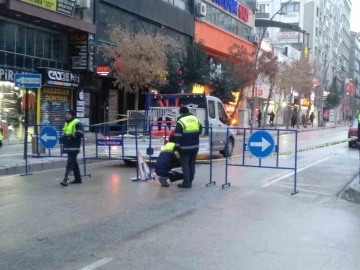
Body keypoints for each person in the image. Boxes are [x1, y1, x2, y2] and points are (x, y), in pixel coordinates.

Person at [174, 106, 202, 188]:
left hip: (185, 147)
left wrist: (176, 148)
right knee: (192, 163)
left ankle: (186, 183)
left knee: (185, 164)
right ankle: (190, 180)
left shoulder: (180, 122)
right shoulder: (195, 119)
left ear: (181, 113)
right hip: (195, 146)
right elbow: (200, 130)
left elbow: (178, 136)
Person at [60, 109, 84, 187]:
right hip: (68, 146)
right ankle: (78, 179)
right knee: (74, 163)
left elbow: (81, 132)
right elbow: (65, 133)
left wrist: (72, 135)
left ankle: (65, 179)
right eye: (66, 114)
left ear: (72, 115)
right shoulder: (67, 123)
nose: (67, 115)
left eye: (68, 114)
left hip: (74, 146)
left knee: (70, 163)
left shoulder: (77, 122)